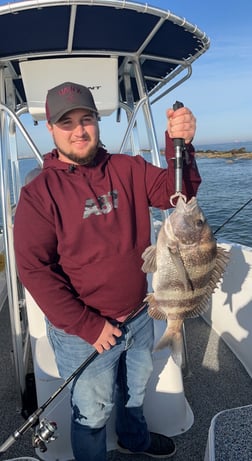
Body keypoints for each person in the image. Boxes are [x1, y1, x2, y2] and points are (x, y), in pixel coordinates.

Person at [14, 81, 201, 460]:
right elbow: (34, 270)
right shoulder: (39, 193)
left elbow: (175, 194)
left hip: (138, 314)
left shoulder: (126, 168)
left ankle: (135, 441)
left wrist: (180, 146)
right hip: (82, 332)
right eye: (67, 123)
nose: (79, 130)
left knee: (135, 392)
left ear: (97, 122)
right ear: (50, 129)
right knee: (92, 411)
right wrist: (87, 326)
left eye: (86, 119)